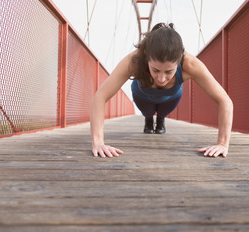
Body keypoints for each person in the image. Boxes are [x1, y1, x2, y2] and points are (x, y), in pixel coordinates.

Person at [90, 22, 233, 158]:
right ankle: (148, 119)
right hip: (142, 96)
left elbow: (225, 100)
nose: (161, 78)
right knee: (147, 112)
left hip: (171, 98)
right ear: (146, 56)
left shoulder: (190, 64)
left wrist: (222, 144)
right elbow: (100, 96)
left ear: (179, 59)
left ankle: (160, 119)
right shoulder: (134, 61)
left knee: (162, 113)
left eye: (169, 72)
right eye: (155, 70)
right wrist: (98, 143)